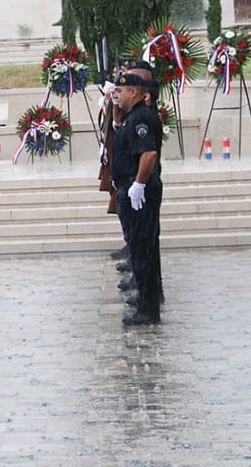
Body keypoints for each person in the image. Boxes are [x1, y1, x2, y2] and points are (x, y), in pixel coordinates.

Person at [111, 72, 163, 326]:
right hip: (130, 187)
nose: (115, 95)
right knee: (139, 247)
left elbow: (149, 153)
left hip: (138, 190)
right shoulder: (132, 116)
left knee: (142, 249)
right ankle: (146, 301)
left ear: (134, 92)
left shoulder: (141, 117)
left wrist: (139, 184)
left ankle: (148, 309)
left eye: (120, 91)